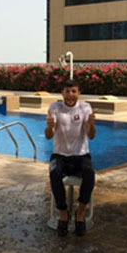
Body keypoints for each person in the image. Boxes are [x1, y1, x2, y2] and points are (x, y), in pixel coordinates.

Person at [45, 79, 95, 237]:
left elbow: (91, 135)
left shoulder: (85, 107)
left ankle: (80, 213)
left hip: (81, 155)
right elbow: (48, 136)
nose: (71, 95)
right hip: (60, 155)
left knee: (89, 174)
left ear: (79, 93)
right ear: (62, 93)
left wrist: (91, 125)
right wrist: (50, 126)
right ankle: (63, 212)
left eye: (74, 91)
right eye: (67, 91)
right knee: (54, 173)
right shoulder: (55, 107)